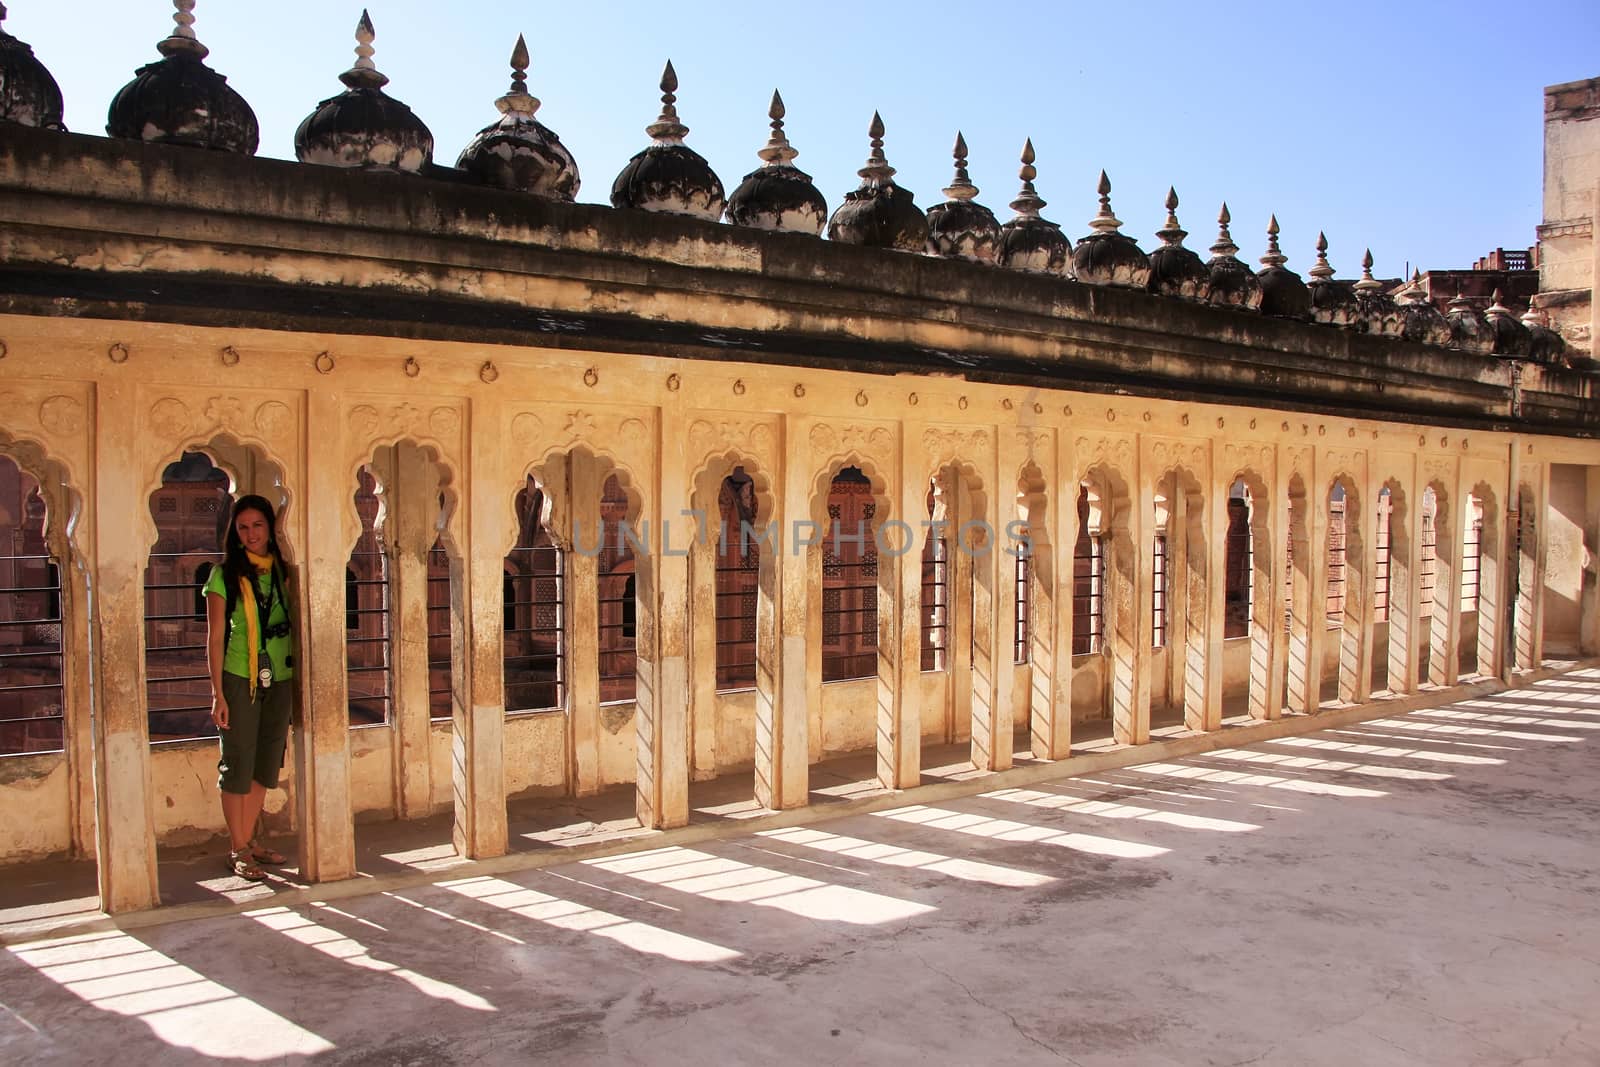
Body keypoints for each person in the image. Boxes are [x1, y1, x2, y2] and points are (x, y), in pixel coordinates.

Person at [205, 494, 295, 881]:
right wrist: (218, 694)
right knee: (237, 764)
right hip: (240, 678)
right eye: (243, 527)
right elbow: (214, 637)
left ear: (270, 529)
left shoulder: (282, 571)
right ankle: (238, 848)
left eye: (257, 525)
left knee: (264, 764)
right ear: (234, 533)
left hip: (279, 677)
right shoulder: (222, 576)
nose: (251, 534)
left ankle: (249, 841)